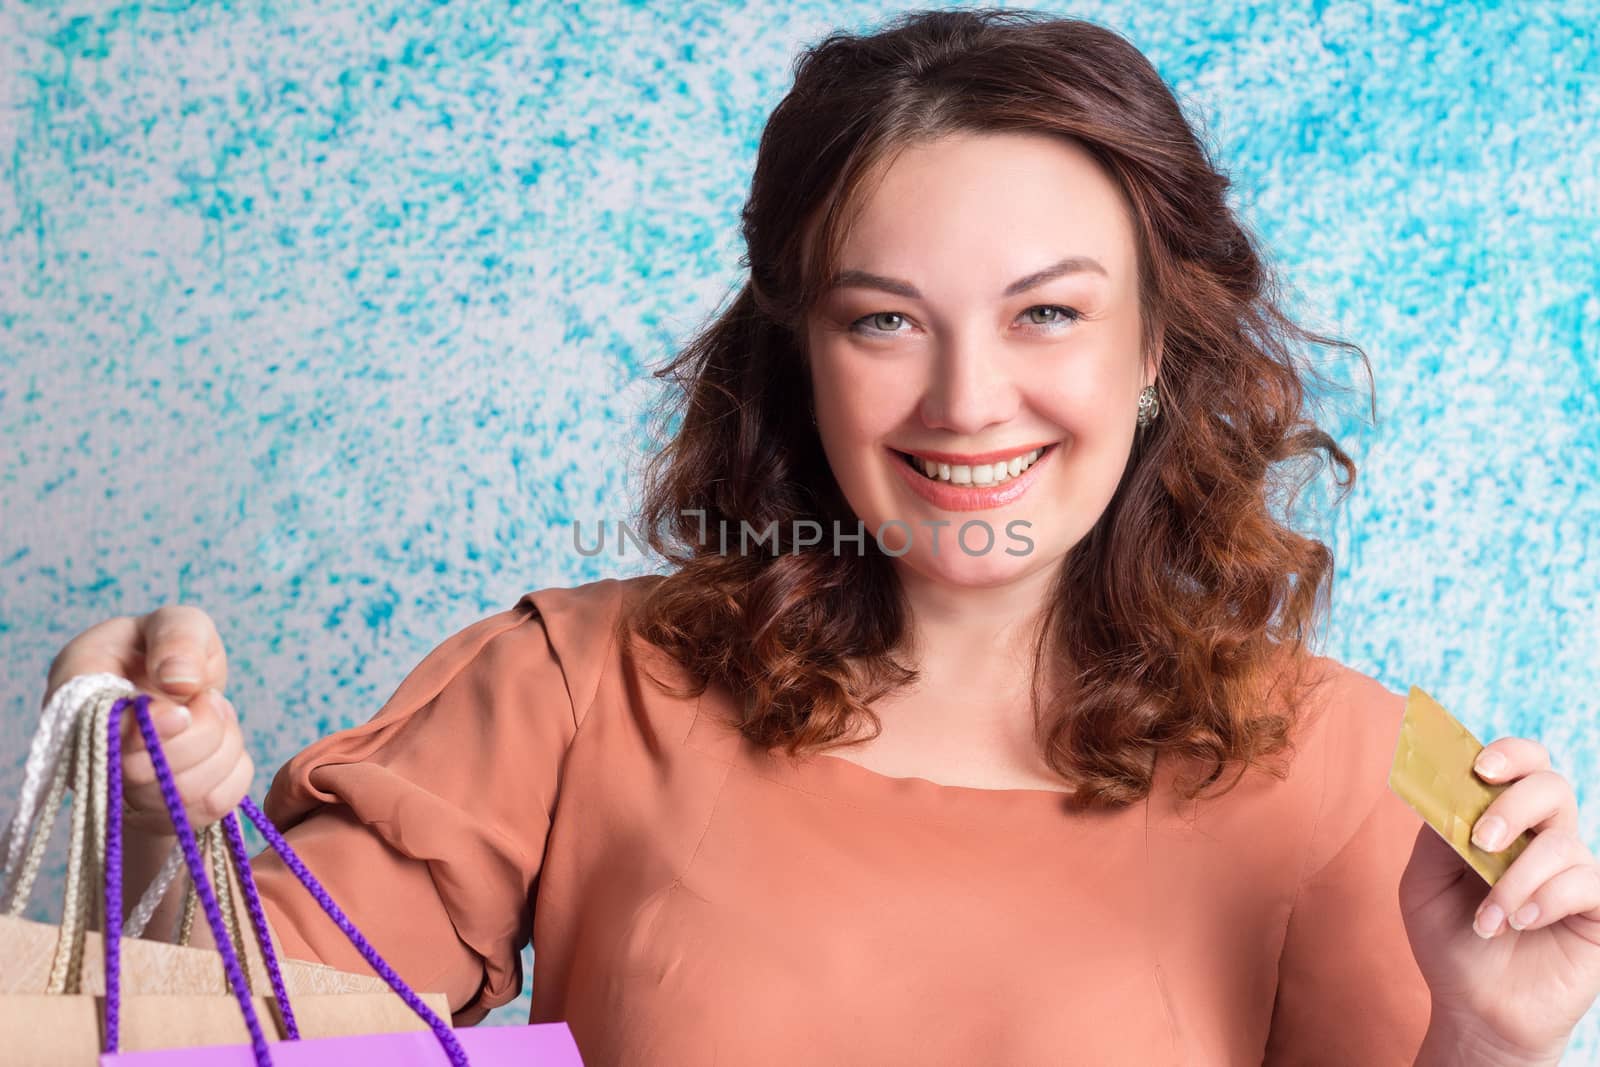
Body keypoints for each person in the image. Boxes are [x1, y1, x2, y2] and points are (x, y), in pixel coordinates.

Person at [39, 9, 1599, 1066]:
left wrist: (1493, 1039)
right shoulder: (580, 691)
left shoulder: (1342, 770)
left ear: (1153, 357)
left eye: (1048, 312)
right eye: (885, 321)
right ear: (802, 354)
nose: (968, 402)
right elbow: (234, 1030)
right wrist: (159, 827)